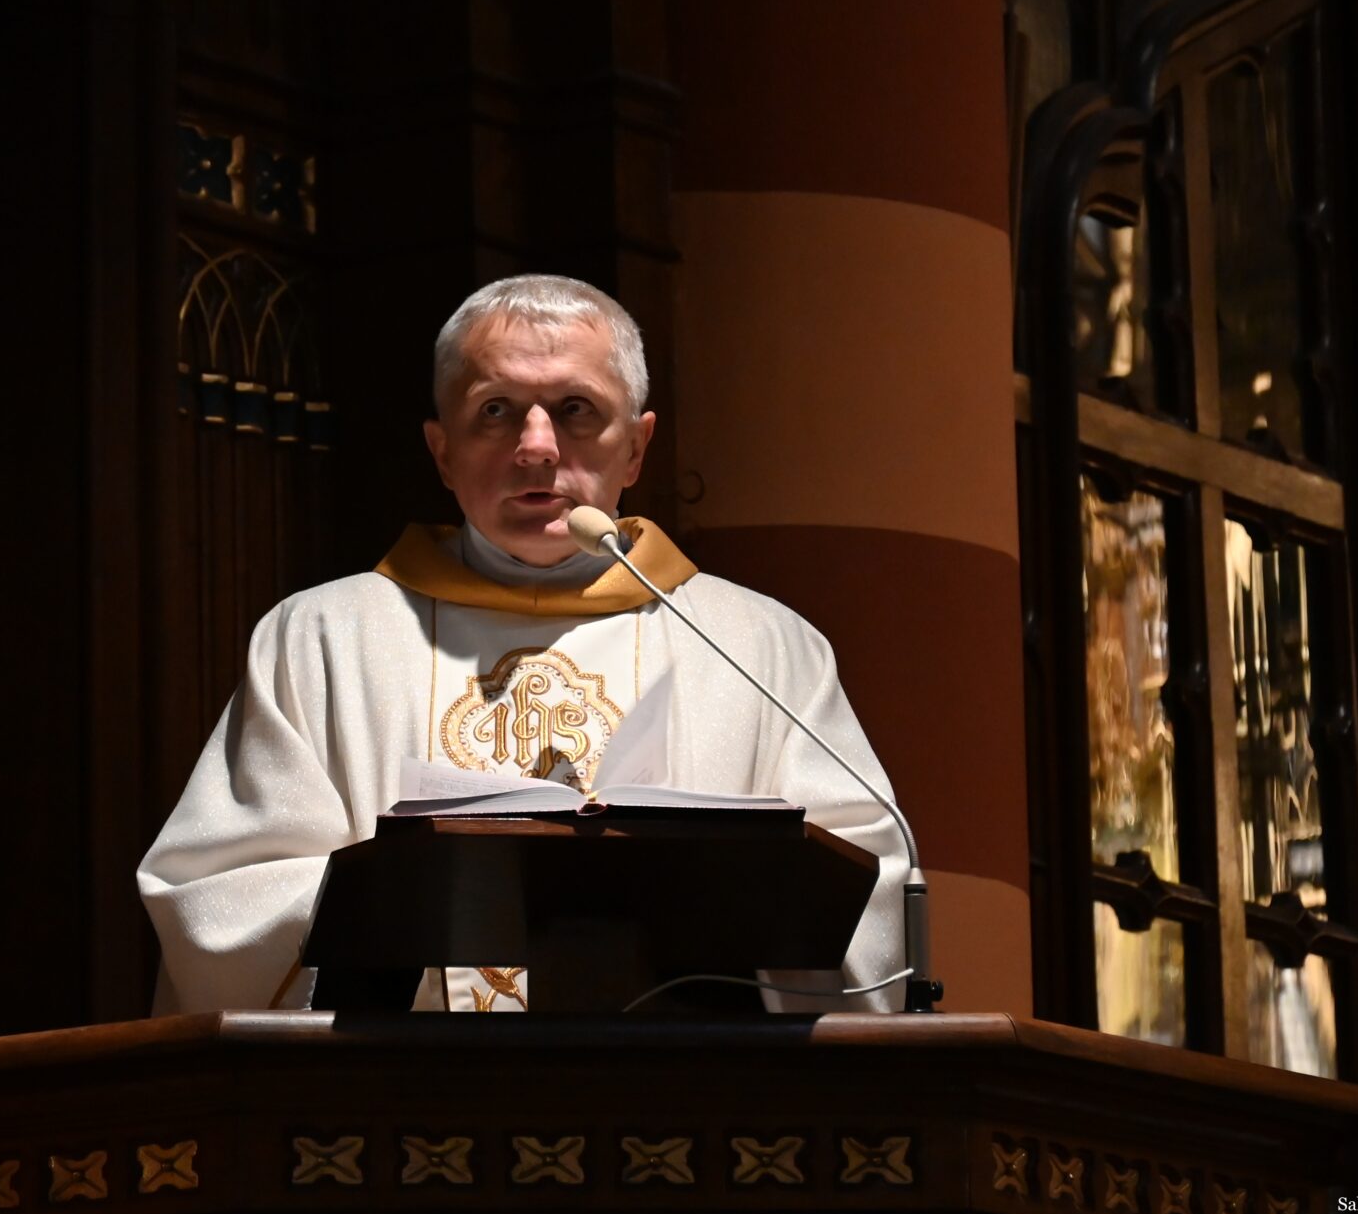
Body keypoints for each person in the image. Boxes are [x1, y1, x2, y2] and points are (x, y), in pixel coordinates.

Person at [138, 273, 906, 1014]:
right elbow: (220, 896)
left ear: (636, 448)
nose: (536, 447)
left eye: (575, 409)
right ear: (442, 450)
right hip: (400, 1089)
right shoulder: (322, 639)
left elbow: (867, 882)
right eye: (497, 410)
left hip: (680, 1087)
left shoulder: (761, 647)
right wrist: (409, 913)